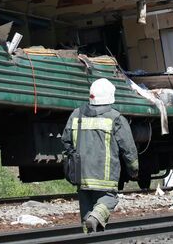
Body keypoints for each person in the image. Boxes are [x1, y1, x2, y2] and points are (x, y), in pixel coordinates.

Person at [62, 78, 139, 233]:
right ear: (110, 96)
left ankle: (89, 233)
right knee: (109, 198)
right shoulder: (115, 118)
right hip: (104, 174)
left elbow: (66, 142)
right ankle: (97, 217)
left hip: (81, 175)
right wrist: (134, 169)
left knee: (86, 211)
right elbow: (128, 148)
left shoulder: (76, 114)